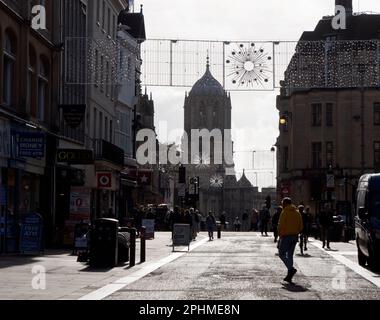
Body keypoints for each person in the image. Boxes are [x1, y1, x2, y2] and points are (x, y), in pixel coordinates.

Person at [278, 197, 303, 283]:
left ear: (285, 203)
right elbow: (301, 226)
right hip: (295, 236)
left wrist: (280, 235)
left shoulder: (284, 212)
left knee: (281, 254)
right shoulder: (297, 213)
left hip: (286, 236)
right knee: (290, 255)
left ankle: (291, 269)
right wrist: (296, 231)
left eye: (282, 203)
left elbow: (281, 225)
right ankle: (289, 276)